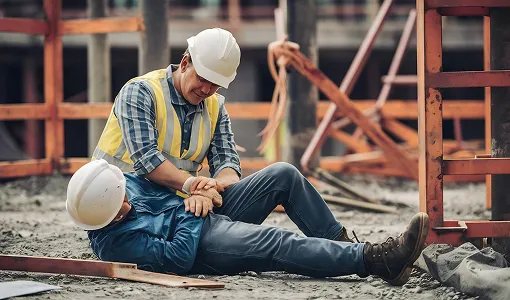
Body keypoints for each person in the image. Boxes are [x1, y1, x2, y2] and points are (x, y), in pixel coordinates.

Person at [67, 159, 429, 286]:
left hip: (201, 208)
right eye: (122, 208)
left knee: (283, 175)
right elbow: (177, 258)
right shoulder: (114, 243)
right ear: (109, 216)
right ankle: (374, 260)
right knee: (276, 241)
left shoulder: (118, 183)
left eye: (125, 197)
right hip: (202, 244)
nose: (128, 203)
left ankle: (344, 247)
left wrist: (199, 190)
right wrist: (197, 209)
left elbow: (164, 185)